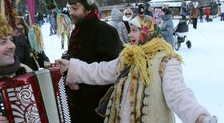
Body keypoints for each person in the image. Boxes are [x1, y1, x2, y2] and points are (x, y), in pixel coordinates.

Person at [56, 15, 218, 123]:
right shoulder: (128, 57)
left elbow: (178, 94)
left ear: (147, 32)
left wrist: (199, 117)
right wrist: (71, 67)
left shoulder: (166, 61)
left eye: (135, 31)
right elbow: (100, 71)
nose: (129, 35)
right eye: (130, 31)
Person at [64, 0, 123, 123]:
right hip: (77, 103)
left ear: (88, 8)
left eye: (75, 8)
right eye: (70, 8)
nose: (71, 13)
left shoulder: (105, 31)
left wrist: (83, 86)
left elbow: (113, 71)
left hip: (98, 107)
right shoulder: (76, 31)